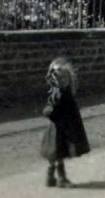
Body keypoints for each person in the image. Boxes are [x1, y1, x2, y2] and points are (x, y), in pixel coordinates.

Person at [40, 57, 90, 188]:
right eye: (59, 78)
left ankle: (51, 177)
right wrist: (51, 112)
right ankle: (60, 178)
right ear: (54, 78)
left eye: (65, 78)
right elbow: (51, 109)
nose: (63, 81)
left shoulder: (65, 91)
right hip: (59, 127)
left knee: (56, 153)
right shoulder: (58, 92)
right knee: (58, 152)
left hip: (64, 126)